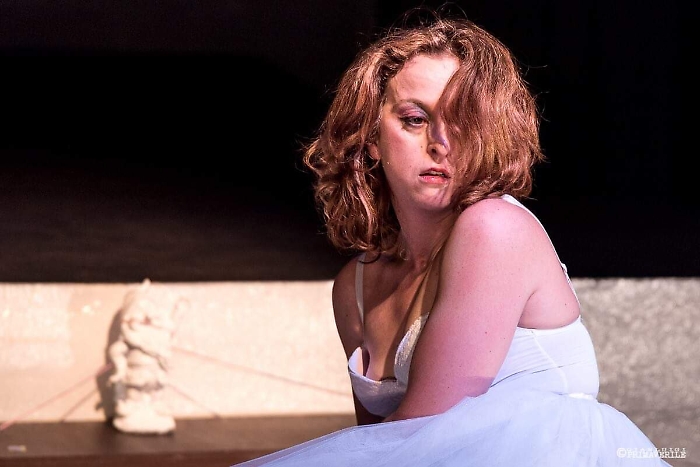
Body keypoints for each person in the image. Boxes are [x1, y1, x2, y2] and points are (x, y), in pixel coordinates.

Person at [233, 8, 671, 467]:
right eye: (414, 119)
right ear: (371, 139)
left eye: (462, 119)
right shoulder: (354, 288)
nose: (440, 141)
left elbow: (424, 429)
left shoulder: (495, 228)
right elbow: (377, 448)